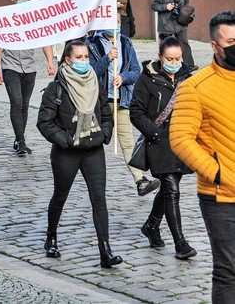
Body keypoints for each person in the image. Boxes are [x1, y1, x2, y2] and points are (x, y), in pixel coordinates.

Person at [36, 39, 120, 268]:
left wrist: (104, 134)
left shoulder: (96, 83)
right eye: (79, 58)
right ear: (67, 60)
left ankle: (105, 249)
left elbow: (106, 114)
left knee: (99, 198)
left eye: (86, 57)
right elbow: (44, 122)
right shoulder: (57, 88)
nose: (84, 62)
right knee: (60, 195)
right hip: (67, 152)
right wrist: (66, 140)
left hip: (93, 149)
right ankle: (51, 236)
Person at [170, 11, 235, 301]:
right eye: (231, 41)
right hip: (221, 197)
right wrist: (219, 173)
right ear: (214, 46)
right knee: (229, 271)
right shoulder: (195, 87)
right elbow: (180, 139)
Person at [129, 36, 196, 260]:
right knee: (172, 190)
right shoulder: (147, 79)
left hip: (182, 142)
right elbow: (136, 112)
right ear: (160, 57)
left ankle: (151, 225)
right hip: (158, 143)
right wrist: (154, 132)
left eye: (178, 58)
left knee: (169, 189)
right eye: (170, 58)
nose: (174, 62)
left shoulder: (188, 78)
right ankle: (180, 243)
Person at [87, 28, 160, 196]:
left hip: (122, 100)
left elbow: (136, 71)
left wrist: (123, 77)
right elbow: (91, 73)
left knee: (128, 142)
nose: (115, 25)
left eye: (118, 21)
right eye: (112, 21)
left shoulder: (125, 42)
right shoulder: (91, 44)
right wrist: (107, 58)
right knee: (94, 143)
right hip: (100, 103)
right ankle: (95, 185)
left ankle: (140, 181)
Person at [0, 0, 56, 155]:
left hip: (29, 66)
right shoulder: (4, 17)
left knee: (25, 105)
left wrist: (50, 61)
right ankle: (20, 141)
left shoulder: (34, 17)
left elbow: (44, 40)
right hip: (10, 66)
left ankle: (20, 137)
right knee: (16, 102)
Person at [151, 0, 195, 71]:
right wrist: (165, 7)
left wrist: (184, 10)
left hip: (180, 23)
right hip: (166, 24)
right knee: (165, 46)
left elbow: (187, 3)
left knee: (184, 44)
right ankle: (162, 65)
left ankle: (189, 66)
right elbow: (154, 6)